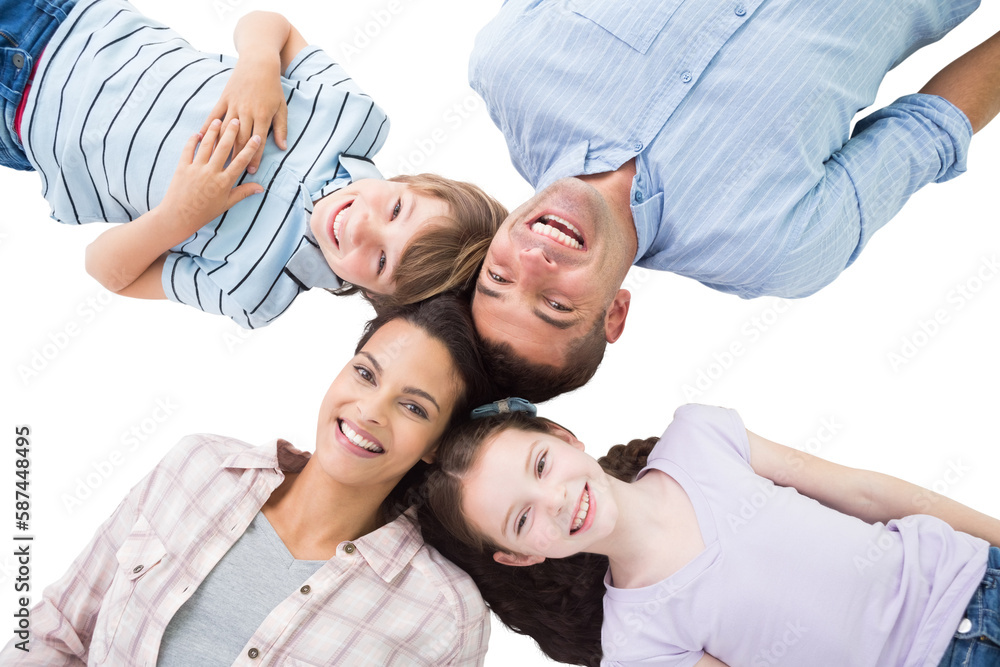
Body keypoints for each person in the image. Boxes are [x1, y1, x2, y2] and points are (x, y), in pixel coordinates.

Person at [466, 0, 1000, 401]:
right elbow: (933, 126)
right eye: (556, 305)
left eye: (499, 279)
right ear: (615, 315)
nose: (535, 264)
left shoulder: (510, 64)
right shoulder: (778, 248)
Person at [0, 294, 496, 665]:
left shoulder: (443, 614)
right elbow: (58, 629)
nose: (370, 411)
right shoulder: (201, 468)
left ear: (437, 443)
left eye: (412, 407)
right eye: (365, 374)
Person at [0, 0, 506, 328]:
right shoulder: (348, 117)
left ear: (376, 298)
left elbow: (105, 270)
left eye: (380, 261)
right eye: (396, 210)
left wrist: (177, 219)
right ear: (412, 183)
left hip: (19, 124)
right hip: (62, 19)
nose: (361, 226)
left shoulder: (251, 288)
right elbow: (272, 24)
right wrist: (260, 61)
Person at [423, 401, 1000, 666]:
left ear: (563, 434)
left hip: (977, 581)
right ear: (521, 557)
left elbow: (864, 494)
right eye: (522, 520)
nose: (555, 501)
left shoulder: (698, 438)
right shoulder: (637, 646)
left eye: (541, 464)